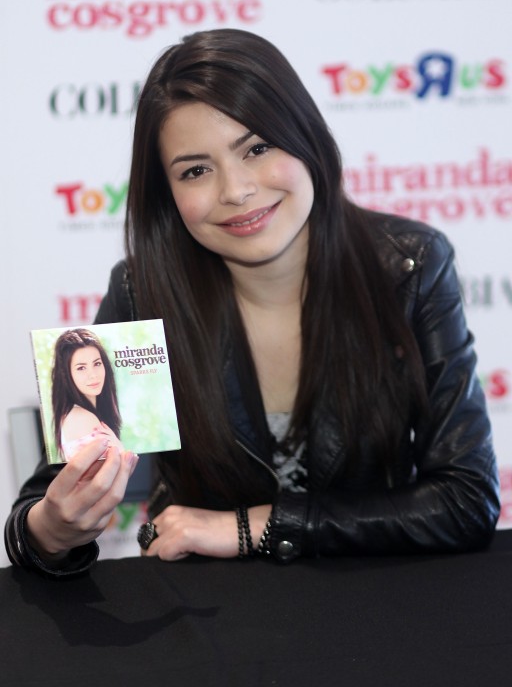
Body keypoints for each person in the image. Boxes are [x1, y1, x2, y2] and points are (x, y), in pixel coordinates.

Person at [5, 28, 500, 576]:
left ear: (306, 136)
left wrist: (252, 527)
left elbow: (466, 500)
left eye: (257, 148)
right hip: (213, 613)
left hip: (372, 600)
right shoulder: (142, 292)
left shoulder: (409, 267)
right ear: (169, 195)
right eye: (196, 171)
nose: (235, 190)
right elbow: (40, 511)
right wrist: (54, 529)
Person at [51, 328, 125, 462]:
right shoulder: (82, 417)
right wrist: (120, 449)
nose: (93, 375)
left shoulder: (74, 414)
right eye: (81, 368)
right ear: (67, 375)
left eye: (97, 364)